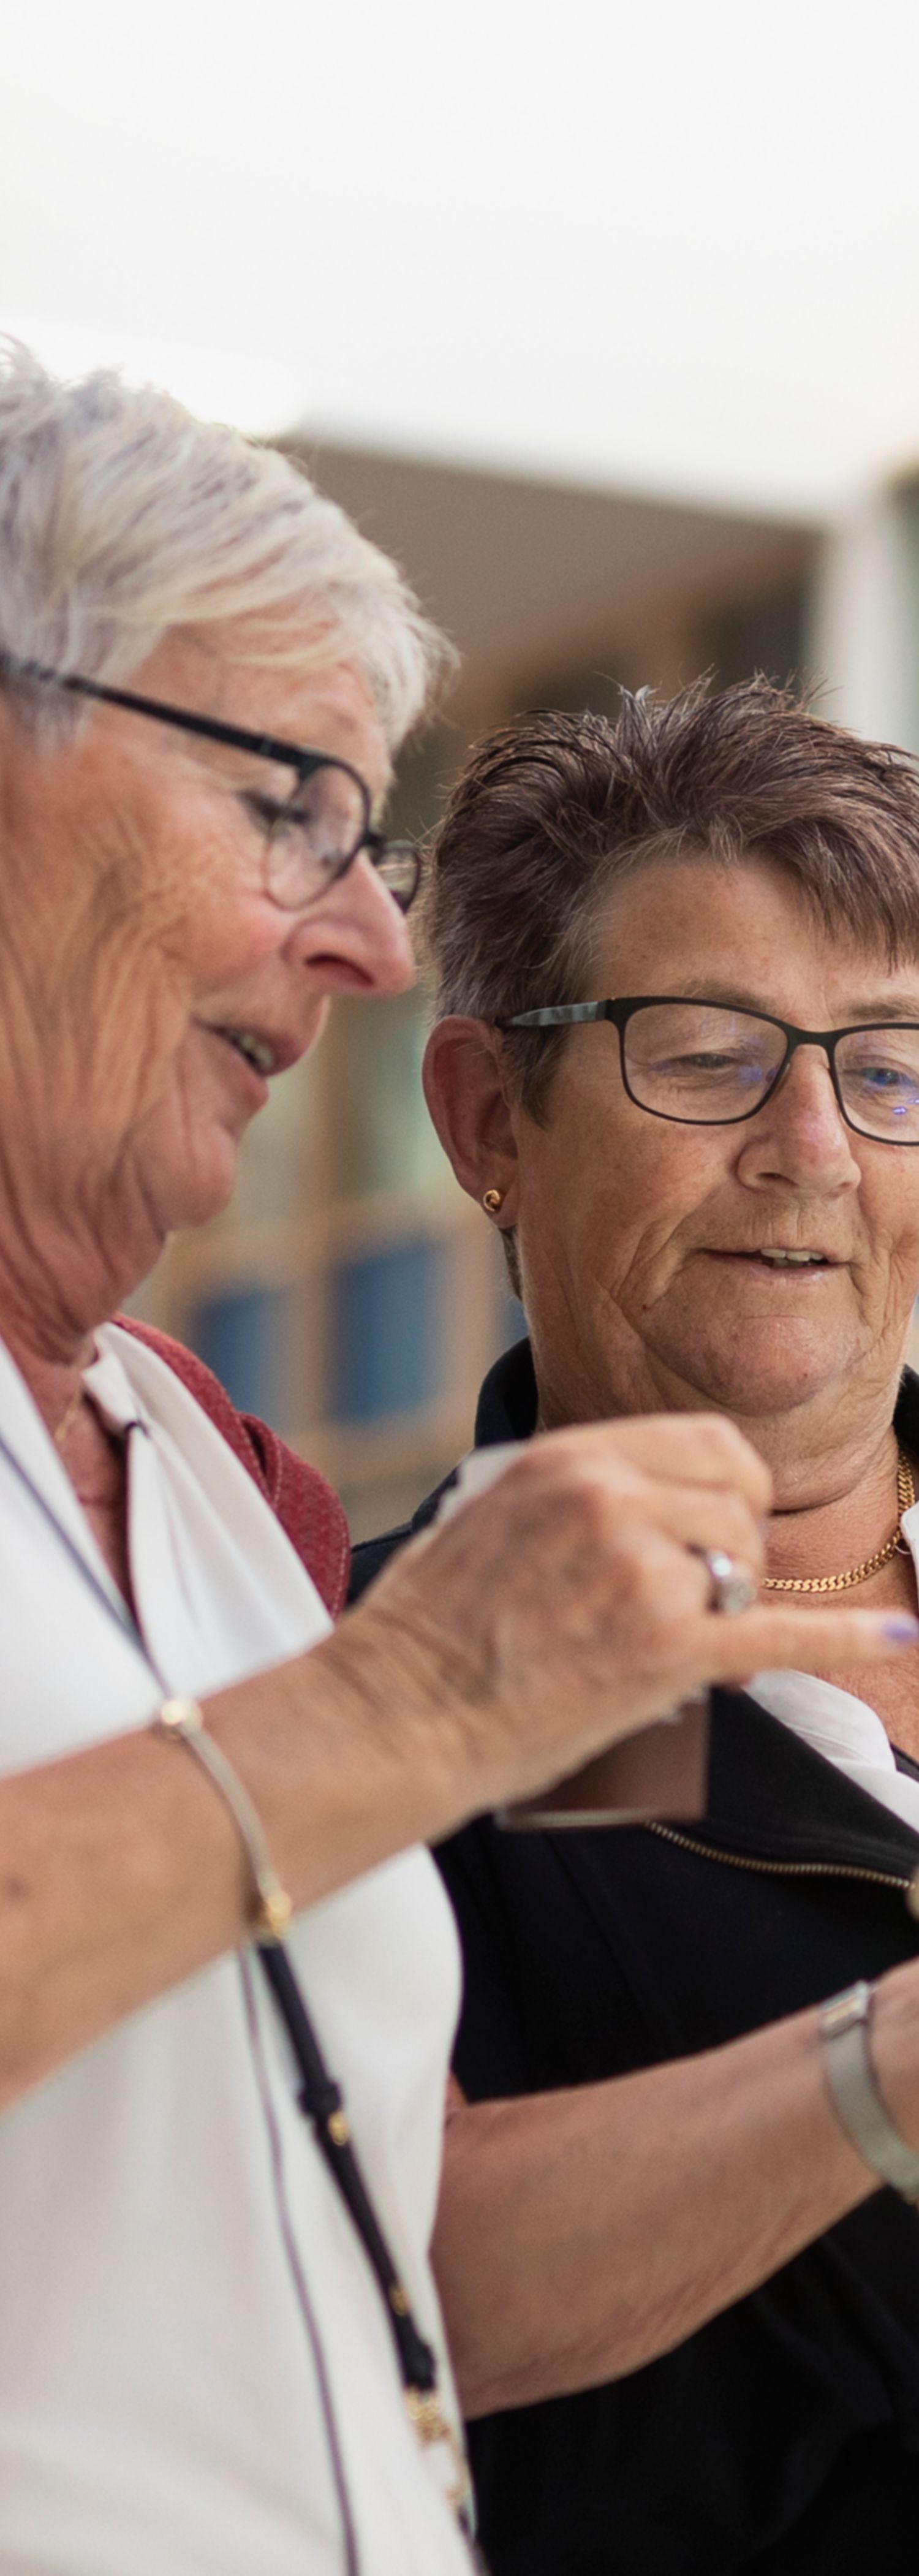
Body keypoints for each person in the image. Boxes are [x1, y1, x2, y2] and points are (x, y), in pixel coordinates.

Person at [1, 351, 883, 2576]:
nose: (363, 934)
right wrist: (419, 1706)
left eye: (890, 1068)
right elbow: (468, 2272)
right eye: (286, 800)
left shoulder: (203, 1484)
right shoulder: (410, 1637)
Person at [350, 681, 919, 2572]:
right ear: (483, 1116)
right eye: (705, 1053)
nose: (813, 1147)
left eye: (889, 1068)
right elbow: (406, 2306)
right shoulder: (374, 1702)